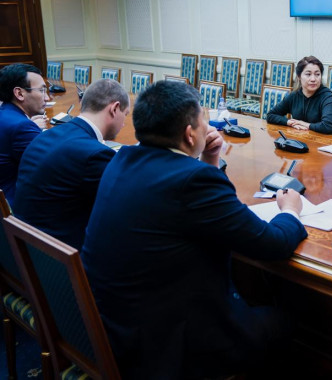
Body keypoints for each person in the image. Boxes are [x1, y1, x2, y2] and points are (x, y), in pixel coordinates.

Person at [81, 80, 307, 379]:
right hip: (168, 350)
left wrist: (207, 160)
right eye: (204, 121)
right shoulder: (193, 182)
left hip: (112, 328)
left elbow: (193, 206)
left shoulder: (120, 158)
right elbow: (272, 243)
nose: (207, 127)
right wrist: (290, 210)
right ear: (189, 134)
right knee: (289, 319)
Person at [13, 78, 130, 250]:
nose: (124, 123)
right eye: (125, 114)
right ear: (114, 109)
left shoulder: (45, 135)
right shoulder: (95, 155)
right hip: (60, 255)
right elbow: (123, 208)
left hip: (25, 247)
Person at [0, 63, 49, 206]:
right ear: (19, 93)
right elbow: (53, 165)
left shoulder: (5, 114)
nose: (47, 98)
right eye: (42, 90)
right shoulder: (21, 127)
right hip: (15, 208)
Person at [266, 56, 332, 135]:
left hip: (327, 140)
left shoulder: (327, 96)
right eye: (308, 74)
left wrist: (304, 124)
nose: (313, 79)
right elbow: (271, 115)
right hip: (303, 137)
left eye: (317, 74)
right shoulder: (294, 96)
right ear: (299, 76)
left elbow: (328, 126)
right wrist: (289, 122)